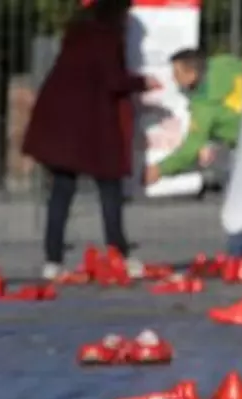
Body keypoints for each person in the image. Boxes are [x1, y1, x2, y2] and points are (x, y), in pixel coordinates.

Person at [23, 0, 161, 281]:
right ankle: (118, 253)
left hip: (60, 117)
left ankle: (52, 259)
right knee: (110, 190)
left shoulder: (77, 30)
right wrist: (142, 82)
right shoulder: (109, 37)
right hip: (93, 124)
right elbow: (113, 80)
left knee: (61, 190)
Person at [145, 48, 242, 257]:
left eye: (177, 74)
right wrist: (211, 140)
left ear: (192, 74)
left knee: (237, 201)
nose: (174, 81)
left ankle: (239, 256)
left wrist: (159, 169)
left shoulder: (204, 106)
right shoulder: (224, 63)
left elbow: (190, 148)